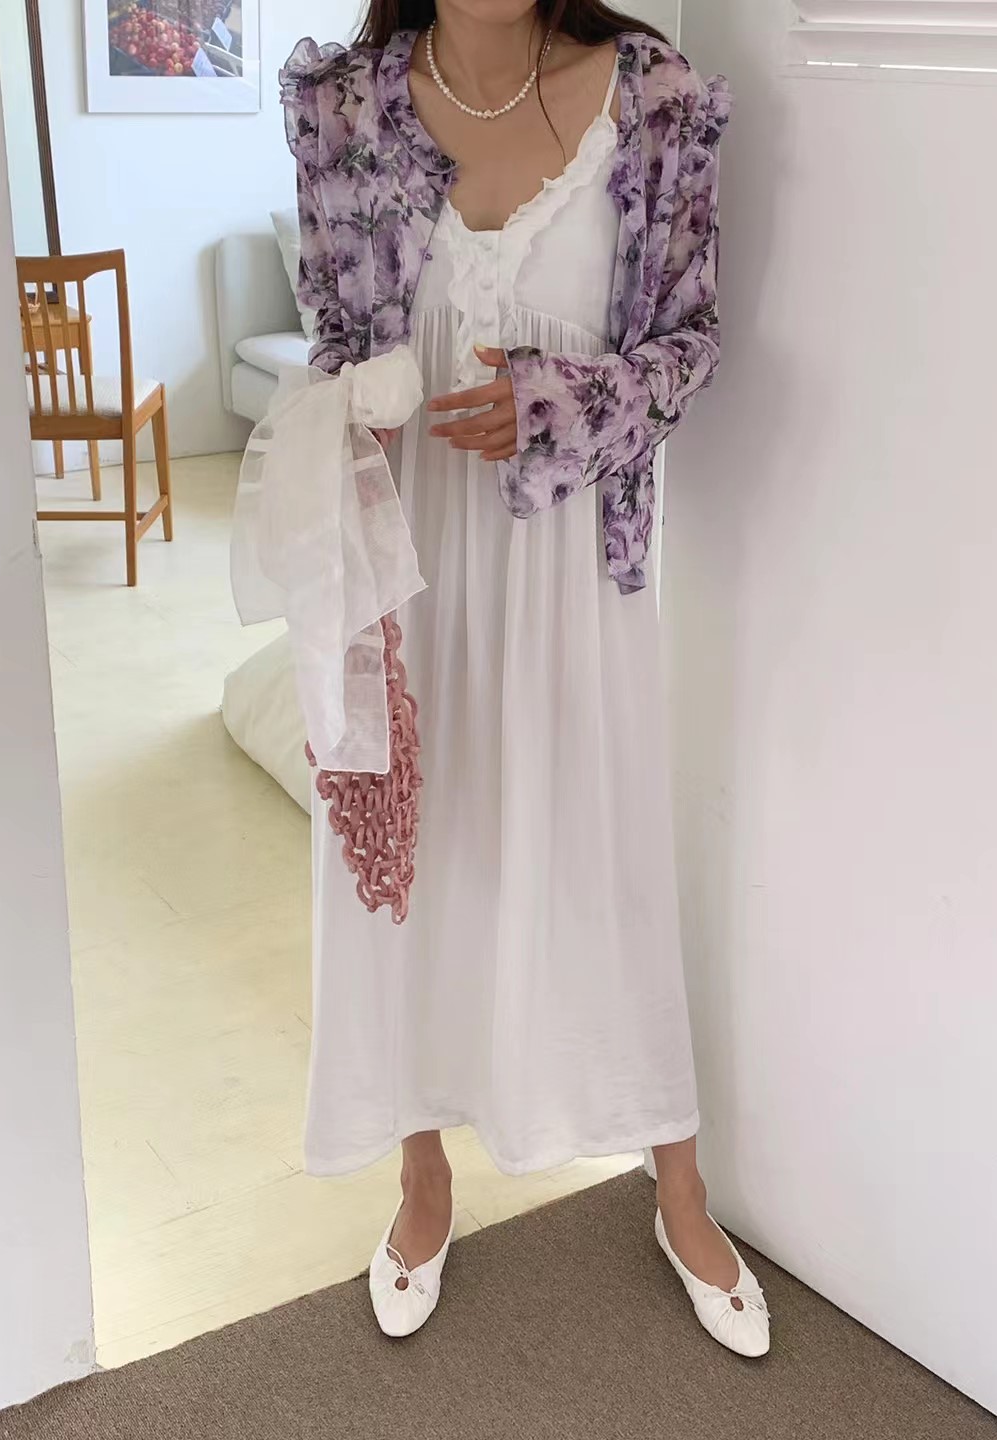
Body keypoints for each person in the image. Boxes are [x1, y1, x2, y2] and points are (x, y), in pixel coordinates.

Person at [281, 0, 769, 1355]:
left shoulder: (654, 97)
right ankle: (422, 1175)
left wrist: (562, 404)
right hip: (405, 560)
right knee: (410, 862)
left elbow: (690, 343)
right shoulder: (345, 108)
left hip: (569, 568)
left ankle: (678, 1186)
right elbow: (330, 340)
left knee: (602, 860)